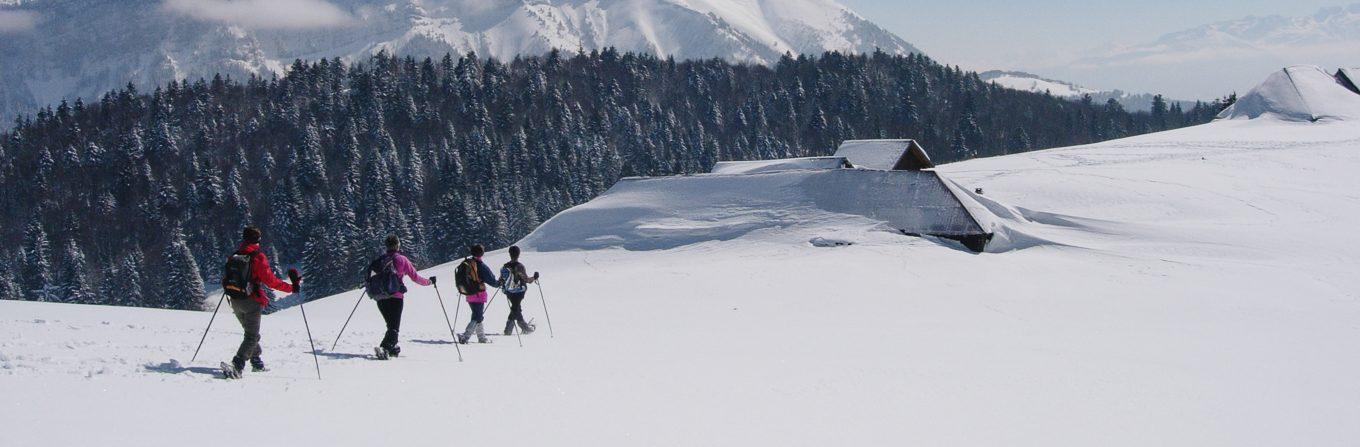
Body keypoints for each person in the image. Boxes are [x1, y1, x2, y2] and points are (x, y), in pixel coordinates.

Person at [222, 227, 300, 376]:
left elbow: (225, 279)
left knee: (250, 333)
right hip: (251, 301)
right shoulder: (257, 256)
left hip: (235, 300)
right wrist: (291, 288)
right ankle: (238, 365)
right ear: (258, 240)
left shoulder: (235, 255)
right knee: (251, 336)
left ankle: (256, 362)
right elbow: (270, 281)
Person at [366, 235, 434, 358]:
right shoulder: (401, 259)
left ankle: (393, 348)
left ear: (386, 246)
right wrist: (429, 282)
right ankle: (385, 348)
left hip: (380, 297)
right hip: (395, 296)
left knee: (390, 324)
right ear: (398, 245)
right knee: (394, 327)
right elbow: (416, 278)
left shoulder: (380, 260)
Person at [456, 244, 500, 344]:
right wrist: (499, 283)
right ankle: (465, 336)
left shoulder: (467, 263)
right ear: (482, 253)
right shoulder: (481, 266)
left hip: (468, 293)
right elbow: (492, 281)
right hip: (478, 295)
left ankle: (482, 338)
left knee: (477, 315)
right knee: (477, 317)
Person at [498, 245, 539, 335]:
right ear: (518, 254)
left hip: (509, 291)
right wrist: (534, 278)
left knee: (516, 308)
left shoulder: (505, 266)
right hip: (519, 291)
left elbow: (501, 280)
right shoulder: (519, 266)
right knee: (515, 308)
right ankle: (508, 330)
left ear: (509, 254)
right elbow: (526, 280)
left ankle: (525, 328)